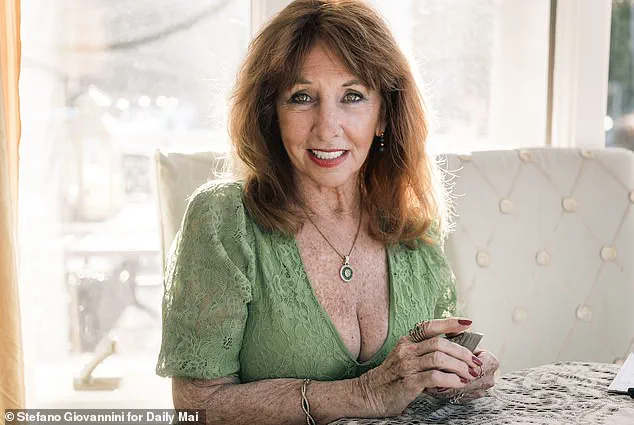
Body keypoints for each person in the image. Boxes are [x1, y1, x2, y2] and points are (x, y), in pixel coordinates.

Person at [156, 0, 499, 423]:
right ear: (271, 114)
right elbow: (196, 404)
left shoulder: (411, 226)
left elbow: (424, 379)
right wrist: (363, 394)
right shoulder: (224, 219)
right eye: (302, 98)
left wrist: (458, 372)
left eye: (352, 96)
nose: (327, 127)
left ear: (384, 115)